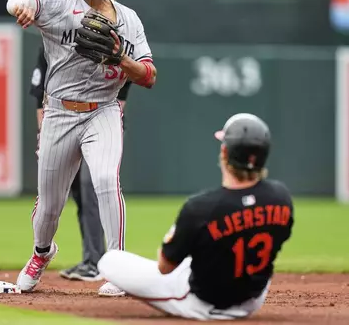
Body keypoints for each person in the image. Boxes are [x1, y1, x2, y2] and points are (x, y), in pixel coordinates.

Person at [7, 0, 157, 297]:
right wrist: (23, 8)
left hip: (103, 111)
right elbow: (23, 0)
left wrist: (121, 59)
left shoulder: (129, 19)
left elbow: (149, 76)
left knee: (106, 180)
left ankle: (118, 266)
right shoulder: (61, 5)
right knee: (49, 207)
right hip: (60, 112)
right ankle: (42, 253)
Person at [98, 113, 294, 320]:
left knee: (110, 260)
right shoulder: (280, 197)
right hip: (252, 298)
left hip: (203, 302)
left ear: (225, 152)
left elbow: (165, 267)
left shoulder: (200, 207)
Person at [29, 0, 133, 282]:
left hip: (98, 119)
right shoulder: (52, 39)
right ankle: (76, 255)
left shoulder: (111, 34)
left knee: (95, 185)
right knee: (57, 198)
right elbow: (40, 94)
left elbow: (123, 88)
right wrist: (43, 134)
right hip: (60, 120)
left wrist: (106, 122)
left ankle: (99, 260)